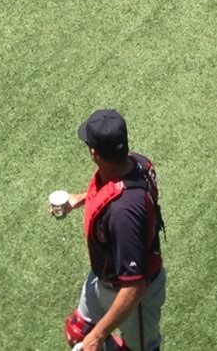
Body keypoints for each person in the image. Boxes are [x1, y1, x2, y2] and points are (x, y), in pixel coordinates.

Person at [51, 110, 166, 351]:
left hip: (134, 296)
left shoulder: (123, 215)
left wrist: (98, 336)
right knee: (78, 331)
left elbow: (135, 286)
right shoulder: (136, 162)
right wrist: (78, 200)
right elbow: (112, 189)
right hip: (105, 276)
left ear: (94, 153)